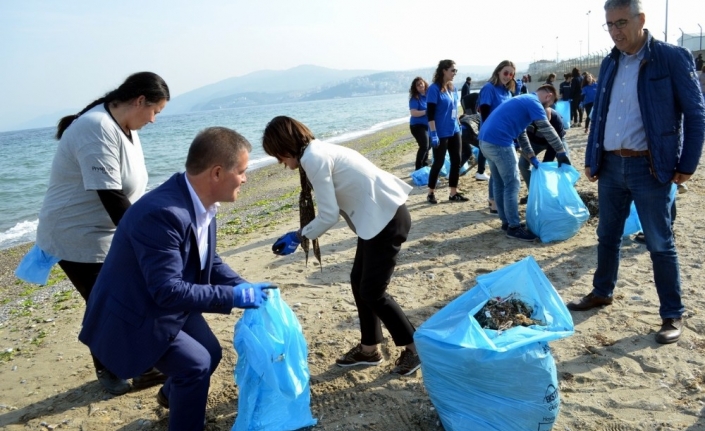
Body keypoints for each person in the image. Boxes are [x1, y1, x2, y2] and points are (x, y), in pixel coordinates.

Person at [79, 127, 276, 431]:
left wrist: (240, 285)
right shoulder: (163, 213)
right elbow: (167, 291)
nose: (246, 178)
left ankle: (172, 396)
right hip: (137, 312)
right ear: (217, 173)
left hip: (165, 300)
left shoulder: (202, 202)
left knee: (211, 352)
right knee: (195, 365)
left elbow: (209, 261)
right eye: (243, 171)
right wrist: (233, 298)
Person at [568, 0, 705, 345]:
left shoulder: (671, 58)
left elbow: (696, 113)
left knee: (660, 242)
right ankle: (602, 291)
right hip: (612, 165)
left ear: (641, 20)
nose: (615, 31)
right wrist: (592, 156)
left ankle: (671, 314)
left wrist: (687, 164)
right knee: (606, 236)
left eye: (621, 22)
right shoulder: (610, 62)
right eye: (609, 25)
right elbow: (601, 111)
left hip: (650, 167)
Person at [33, 72, 170, 395]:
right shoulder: (96, 127)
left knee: (121, 297)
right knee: (108, 301)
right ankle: (111, 369)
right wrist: (146, 243)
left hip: (105, 232)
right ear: (139, 101)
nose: (153, 121)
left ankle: (142, 365)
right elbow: (110, 195)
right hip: (76, 235)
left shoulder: (123, 127)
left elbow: (129, 191)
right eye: (155, 112)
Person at [262, 116, 421, 377]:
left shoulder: (313, 158)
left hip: (387, 219)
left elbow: (328, 214)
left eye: (279, 157)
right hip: (378, 218)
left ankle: (415, 349)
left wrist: (298, 235)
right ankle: (369, 349)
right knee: (359, 282)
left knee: (373, 292)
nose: (283, 165)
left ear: (284, 147)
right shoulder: (318, 150)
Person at [478, 84, 570, 241]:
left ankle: (506, 222)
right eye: (551, 102)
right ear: (548, 96)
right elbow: (547, 128)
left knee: (499, 182)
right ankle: (514, 227)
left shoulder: (523, 99)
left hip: (484, 141)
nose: (549, 106)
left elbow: (521, 132)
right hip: (500, 143)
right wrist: (561, 151)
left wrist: (531, 155)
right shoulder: (534, 103)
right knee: (512, 184)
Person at [426, 59, 468, 204]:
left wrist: (457, 122)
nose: (455, 73)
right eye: (452, 70)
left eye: (456, 71)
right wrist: (433, 133)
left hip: (454, 130)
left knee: (456, 161)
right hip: (440, 132)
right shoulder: (434, 89)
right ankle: (431, 192)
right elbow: (430, 113)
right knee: (438, 162)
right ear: (444, 70)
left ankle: (453, 192)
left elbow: (454, 109)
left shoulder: (453, 88)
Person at [477, 60, 517, 210]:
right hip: (492, 137)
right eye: (505, 72)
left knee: (498, 172)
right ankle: (494, 202)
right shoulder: (489, 88)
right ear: (498, 71)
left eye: (511, 74)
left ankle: (494, 202)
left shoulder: (507, 90)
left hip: (504, 136)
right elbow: (485, 112)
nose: (508, 76)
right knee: (499, 173)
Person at [518, 106, 567, 195]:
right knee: (522, 164)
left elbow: (554, 147)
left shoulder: (556, 119)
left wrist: (545, 164)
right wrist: (530, 154)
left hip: (555, 142)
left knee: (566, 163)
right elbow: (521, 135)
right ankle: (534, 192)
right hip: (533, 141)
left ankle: (563, 192)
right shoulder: (527, 117)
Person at [408, 77, 430, 170]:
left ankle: (424, 164)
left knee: (429, 145)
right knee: (424, 145)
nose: (420, 85)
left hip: (427, 125)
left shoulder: (429, 95)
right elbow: (413, 113)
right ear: (415, 88)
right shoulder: (415, 98)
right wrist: (426, 112)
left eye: (421, 83)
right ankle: (418, 168)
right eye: (418, 85)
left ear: (425, 83)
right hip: (416, 126)